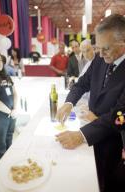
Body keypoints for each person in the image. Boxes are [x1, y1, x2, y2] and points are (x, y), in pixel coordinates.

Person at [56, 14, 125, 192]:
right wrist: (69, 103)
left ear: (123, 43)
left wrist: (82, 135)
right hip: (91, 133)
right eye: (98, 48)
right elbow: (82, 83)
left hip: (114, 144)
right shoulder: (100, 59)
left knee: (107, 182)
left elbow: (121, 116)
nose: (100, 54)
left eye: (106, 49)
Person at [0, 52, 17, 160]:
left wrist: (15, 109)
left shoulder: (6, 76)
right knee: (1, 145)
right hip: (0, 116)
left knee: (9, 139)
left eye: (0, 60)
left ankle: (10, 163)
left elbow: (15, 93)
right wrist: (9, 111)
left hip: (11, 114)